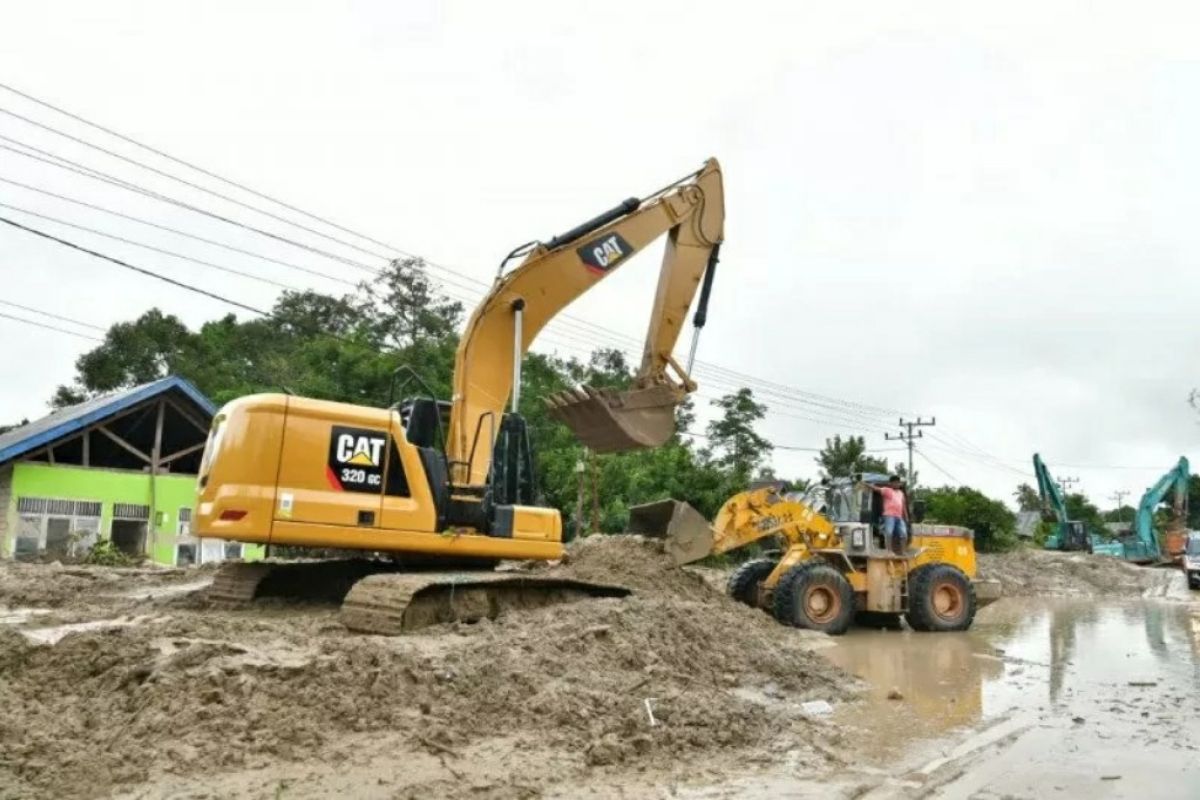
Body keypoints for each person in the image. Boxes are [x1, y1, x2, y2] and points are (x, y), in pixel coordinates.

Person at [866, 475, 909, 555]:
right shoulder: (887, 491)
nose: (896, 484)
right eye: (895, 483)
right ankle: (889, 551)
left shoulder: (901, 493)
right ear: (891, 483)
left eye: (898, 483)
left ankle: (903, 551)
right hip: (889, 516)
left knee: (904, 534)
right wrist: (865, 484)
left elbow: (903, 505)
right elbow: (876, 489)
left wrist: (906, 516)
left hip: (899, 516)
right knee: (889, 533)